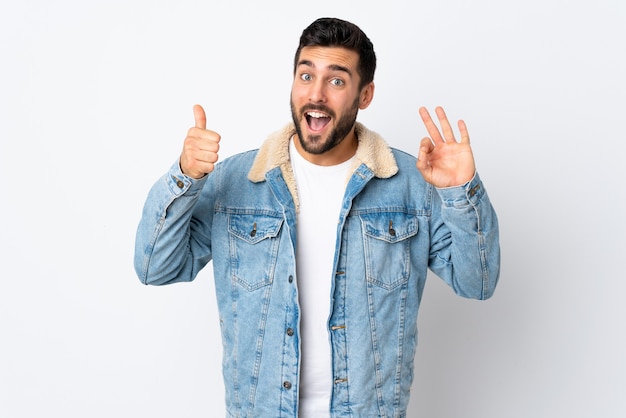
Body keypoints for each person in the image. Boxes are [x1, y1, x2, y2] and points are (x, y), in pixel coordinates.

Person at [134, 17, 500, 418]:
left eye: (337, 81)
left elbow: (477, 282)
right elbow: (155, 268)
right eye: (306, 75)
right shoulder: (234, 183)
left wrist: (460, 192)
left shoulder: (412, 185)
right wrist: (184, 177)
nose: (317, 94)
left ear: (365, 94)